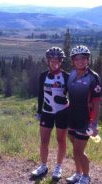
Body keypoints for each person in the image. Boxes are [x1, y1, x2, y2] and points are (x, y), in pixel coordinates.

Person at [31, 47, 69, 181]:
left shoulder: (66, 76)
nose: (54, 63)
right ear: (48, 61)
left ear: (61, 61)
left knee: (61, 140)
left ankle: (58, 167)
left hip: (62, 112)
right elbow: (41, 95)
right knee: (44, 141)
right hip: (47, 112)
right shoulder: (43, 76)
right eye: (52, 61)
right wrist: (39, 112)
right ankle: (43, 166)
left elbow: (71, 95)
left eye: (57, 60)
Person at [66, 45, 102, 184]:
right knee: (75, 150)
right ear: (73, 61)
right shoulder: (72, 74)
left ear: (88, 60)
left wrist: (94, 124)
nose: (80, 61)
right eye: (77, 59)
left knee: (79, 151)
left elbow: (97, 102)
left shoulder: (93, 78)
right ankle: (78, 173)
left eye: (83, 58)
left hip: (85, 119)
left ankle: (86, 176)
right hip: (72, 117)